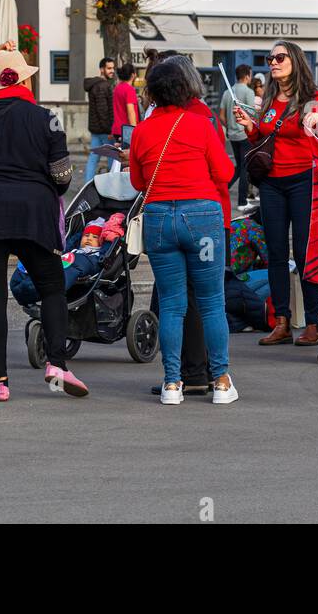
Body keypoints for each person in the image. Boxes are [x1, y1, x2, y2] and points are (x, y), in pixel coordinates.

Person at [0, 41, 85, 402]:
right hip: (32, 212)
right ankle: (56, 365)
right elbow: (62, 177)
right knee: (52, 288)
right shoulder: (48, 118)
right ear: (25, 84)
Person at [131, 59, 238, 405]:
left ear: (153, 93)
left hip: (160, 217)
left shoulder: (142, 131)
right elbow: (223, 172)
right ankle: (221, 381)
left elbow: (137, 181)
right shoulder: (200, 124)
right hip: (202, 216)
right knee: (211, 303)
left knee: (173, 304)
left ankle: (172, 383)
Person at [233, 40, 318, 346]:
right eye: (270, 57)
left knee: (305, 253)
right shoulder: (268, 99)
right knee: (276, 252)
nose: (273, 62)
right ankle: (281, 322)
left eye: (280, 57)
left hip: (304, 180)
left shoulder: (312, 99)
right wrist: (251, 127)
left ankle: (313, 324)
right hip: (272, 183)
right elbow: (261, 143)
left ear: (295, 62)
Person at [222, 63, 257, 208]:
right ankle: (242, 202)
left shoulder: (226, 92)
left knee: (239, 166)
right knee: (245, 168)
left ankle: (223, 189)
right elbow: (252, 114)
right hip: (244, 135)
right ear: (247, 76)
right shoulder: (249, 92)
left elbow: (221, 116)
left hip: (232, 136)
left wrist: (230, 127)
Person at [83, 57, 116, 181]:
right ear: (102, 69)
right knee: (112, 157)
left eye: (113, 68)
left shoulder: (95, 85)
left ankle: (87, 184)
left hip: (95, 128)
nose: (112, 71)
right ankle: (112, 184)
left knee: (93, 157)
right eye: (109, 68)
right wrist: (109, 130)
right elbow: (103, 111)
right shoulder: (103, 86)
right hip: (104, 129)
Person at [112, 62, 141, 146]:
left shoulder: (117, 88)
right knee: (127, 157)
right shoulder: (130, 90)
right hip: (127, 130)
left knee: (119, 156)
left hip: (117, 129)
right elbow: (131, 112)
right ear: (133, 75)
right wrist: (134, 131)